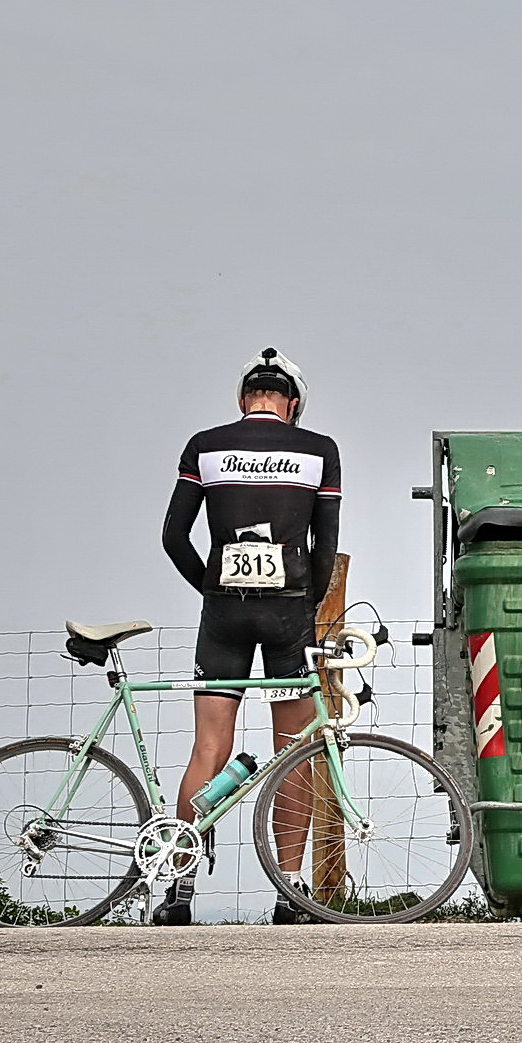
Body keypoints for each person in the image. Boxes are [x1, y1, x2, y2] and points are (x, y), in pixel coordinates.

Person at [158, 348, 341, 925]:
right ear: (292, 403)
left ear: (243, 399)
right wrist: (306, 602)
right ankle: (290, 891)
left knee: (208, 748)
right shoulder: (319, 450)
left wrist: (211, 587)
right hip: (288, 613)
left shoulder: (205, 445)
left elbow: (173, 537)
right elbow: (326, 546)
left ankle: (179, 886)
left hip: (223, 615)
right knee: (293, 753)